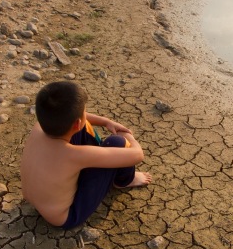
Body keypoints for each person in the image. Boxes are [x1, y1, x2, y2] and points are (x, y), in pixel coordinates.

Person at [20, 81, 151, 229]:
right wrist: (128, 136)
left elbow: (78, 118)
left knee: (79, 127)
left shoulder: (39, 127)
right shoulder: (75, 155)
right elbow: (137, 155)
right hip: (66, 216)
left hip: (37, 201)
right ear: (77, 122)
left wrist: (106, 122)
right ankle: (125, 180)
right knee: (117, 142)